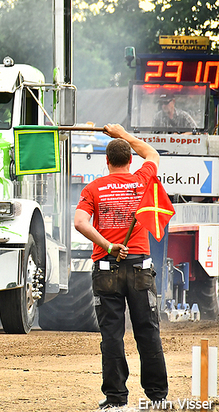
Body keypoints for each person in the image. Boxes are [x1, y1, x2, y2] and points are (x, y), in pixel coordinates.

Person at [74, 123, 168, 409]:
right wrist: (123, 134)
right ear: (130, 160)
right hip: (140, 268)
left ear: (106, 161)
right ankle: (156, 399)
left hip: (106, 268)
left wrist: (107, 245)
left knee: (112, 336)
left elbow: (79, 223)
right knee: (148, 332)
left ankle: (116, 400)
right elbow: (151, 153)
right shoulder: (143, 179)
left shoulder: (94, 188)